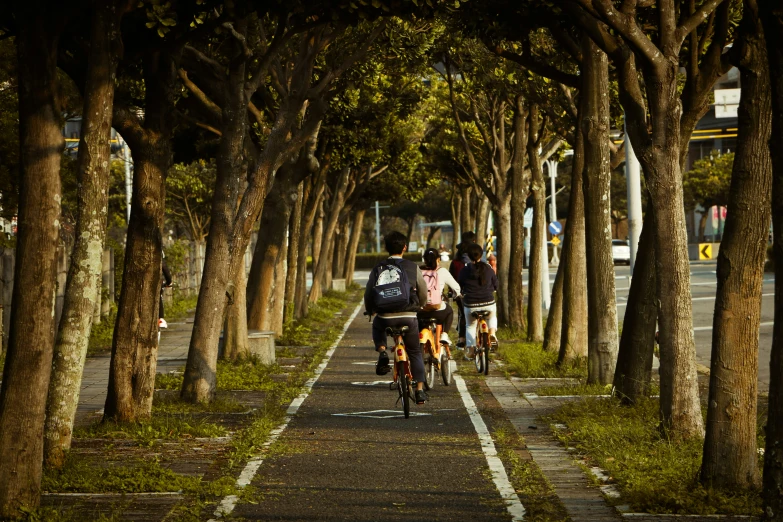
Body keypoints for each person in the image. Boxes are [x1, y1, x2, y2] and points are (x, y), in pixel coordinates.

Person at [364, 231, 429, 404]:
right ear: (405, 247)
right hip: (408, 315)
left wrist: (370, 310)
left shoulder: (378, 268)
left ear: (386, 248)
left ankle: (382, 350)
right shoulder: (412, 267)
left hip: (385, 317)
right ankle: (420, 390)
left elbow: (369, 293)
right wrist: (421, 305)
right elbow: (423, 291)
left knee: (377, 325)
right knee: (415, 351)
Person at [458, 242, 499, 359]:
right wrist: (494, 289)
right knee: (491, 317)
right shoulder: (488, 268)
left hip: (471, 304)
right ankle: (492, 333)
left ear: (469, 256)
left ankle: (471, 349)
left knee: (470, 325)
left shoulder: (464, 270)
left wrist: (460, 293)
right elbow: (496, 284)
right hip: (488, 303)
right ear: (481, 255)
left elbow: (459, 286)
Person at [417, 248, 460, 348]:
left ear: (424, 260)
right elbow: (457, 288)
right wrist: (455, 295)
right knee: (449, 311)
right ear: (438, 259)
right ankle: (444, 334)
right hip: (438, 310)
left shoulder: (418, 271)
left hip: (421, 310)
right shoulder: (442, 271)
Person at [450, 231, 476, 347]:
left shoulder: (455, 262)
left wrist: (451, 292)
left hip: (460, 293)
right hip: (478, 292)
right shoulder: (476, 260)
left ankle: (461, 339)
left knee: (463, 314)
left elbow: (451, 278)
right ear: (474, 241)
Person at [159, 255, 172, 329]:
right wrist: (169, 282)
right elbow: (165, 269)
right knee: (158, 297)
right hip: (155, 284)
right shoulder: (158, 253)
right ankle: (160, 319)